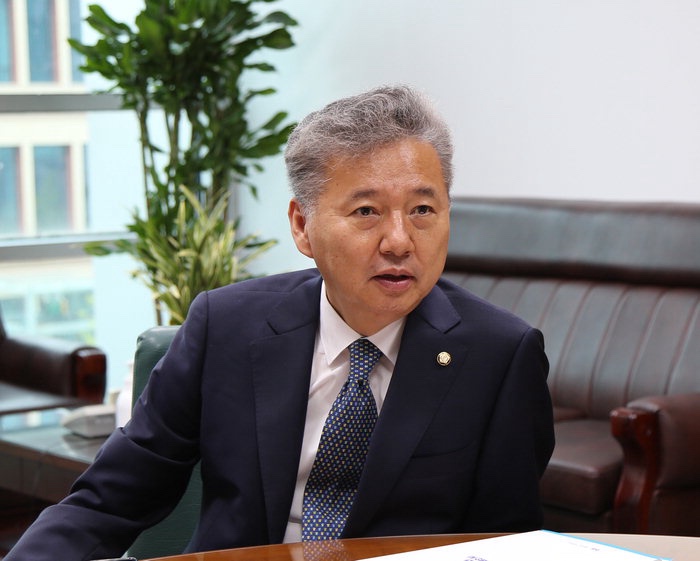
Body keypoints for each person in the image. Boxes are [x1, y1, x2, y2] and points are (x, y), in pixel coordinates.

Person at [6, 85, 554, 561]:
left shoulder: (500, 356)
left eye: (423, 210)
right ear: (302, 225)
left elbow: (505, 544)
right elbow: (111, 498)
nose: (399, 240)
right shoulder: (225, 326)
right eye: (366, 211)